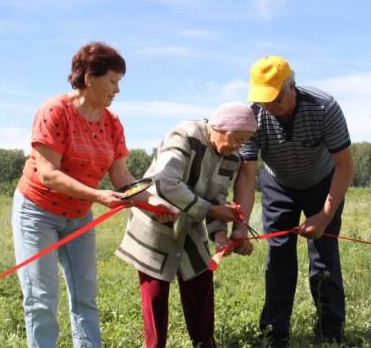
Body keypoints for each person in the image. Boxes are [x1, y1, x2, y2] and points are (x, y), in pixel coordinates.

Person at [11, 42, 174, 348]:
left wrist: (152, 201)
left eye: (118, 83)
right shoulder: (54, 111)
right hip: (38, 212)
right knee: (42, 298)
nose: (117, 90)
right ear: (89, 77)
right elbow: (49, 174)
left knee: (85, 297)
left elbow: (122, 177)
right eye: (113, 81)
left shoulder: (112, 124)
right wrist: (98, 196)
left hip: (78, 217)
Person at [233, 56, 355, 347]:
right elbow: (247, 176)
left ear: (292, 87)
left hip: (323, 183)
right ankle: (274, 334)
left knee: (324, 259)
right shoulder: (253, 115)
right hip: (278, 186)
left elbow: (345, 167)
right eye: (263, 101)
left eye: (274, 100)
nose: (269, 108)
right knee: (278, 260)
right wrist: (239, 223)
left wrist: (324, 216)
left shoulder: (324, 107)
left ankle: (331, 334)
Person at [116, 102, 257, 348]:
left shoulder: (232, 158)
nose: (237, 146)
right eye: (236, 138)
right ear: (219, 127)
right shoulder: (185, 134)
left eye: (243, 142)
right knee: (155, 292)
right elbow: (166, 182)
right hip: (157, 219)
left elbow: (218, 198)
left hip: (190, 223)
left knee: (200, 283)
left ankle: (204, 343)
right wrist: (211, 210)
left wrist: (221, 236)